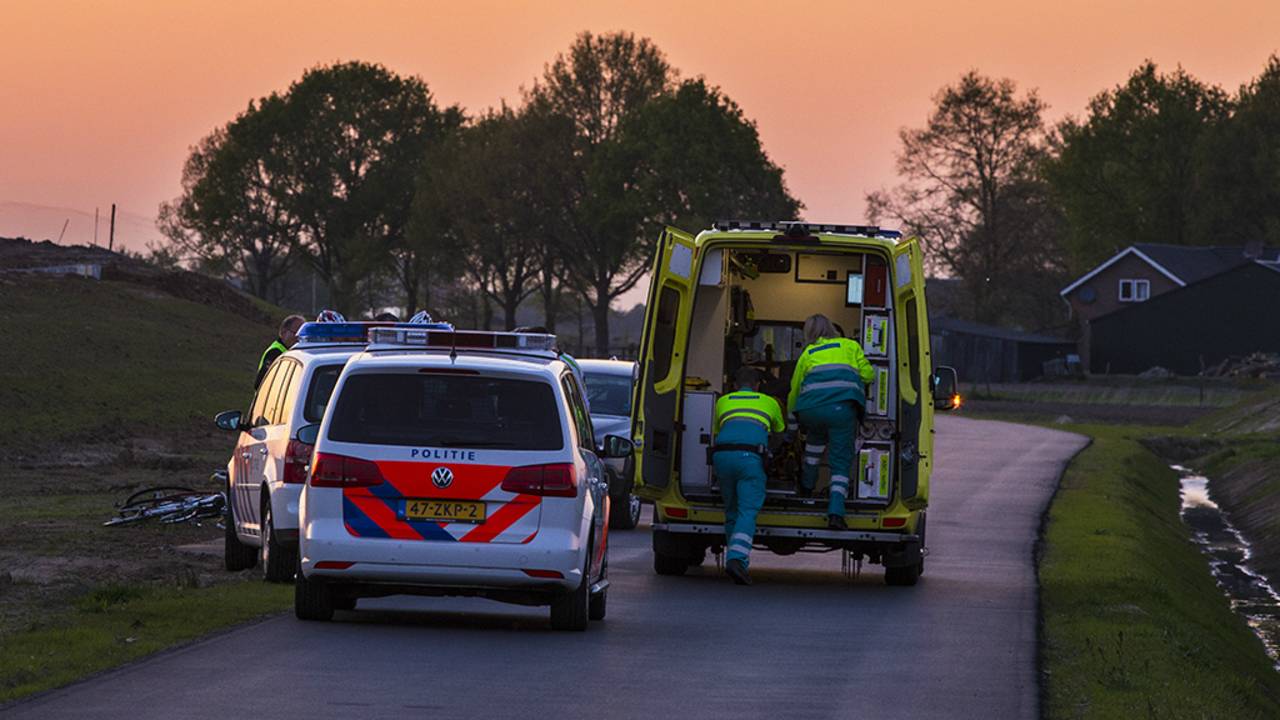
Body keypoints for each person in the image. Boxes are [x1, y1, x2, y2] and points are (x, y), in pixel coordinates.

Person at [787, 313, 874, 529]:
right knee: (840, 461)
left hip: (811, 412)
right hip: (840, 411)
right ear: (832, 328)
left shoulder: (808, 353)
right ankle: (835, 513)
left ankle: (806, 491)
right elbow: (869, 375)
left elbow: (794, 390)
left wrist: (792, 425)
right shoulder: (850, 346)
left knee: (814, 447)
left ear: (809, 333)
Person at [712, 366, 785, 585]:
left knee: (732, 509)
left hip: (722, 457)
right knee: (747, 510)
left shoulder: (723, 401)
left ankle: (734, 559)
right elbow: (780, 435)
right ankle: (736, 559)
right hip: (750, 459)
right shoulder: (770, 402)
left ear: (734, 385)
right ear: (757, 385)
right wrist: (769, 454)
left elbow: (718, 431)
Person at [255, 315, 305, 389]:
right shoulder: (275, 352)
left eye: (302, 334)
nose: (298, 337)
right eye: (296, 333)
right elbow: (260, 383)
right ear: (283, 332)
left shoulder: (296, 352)